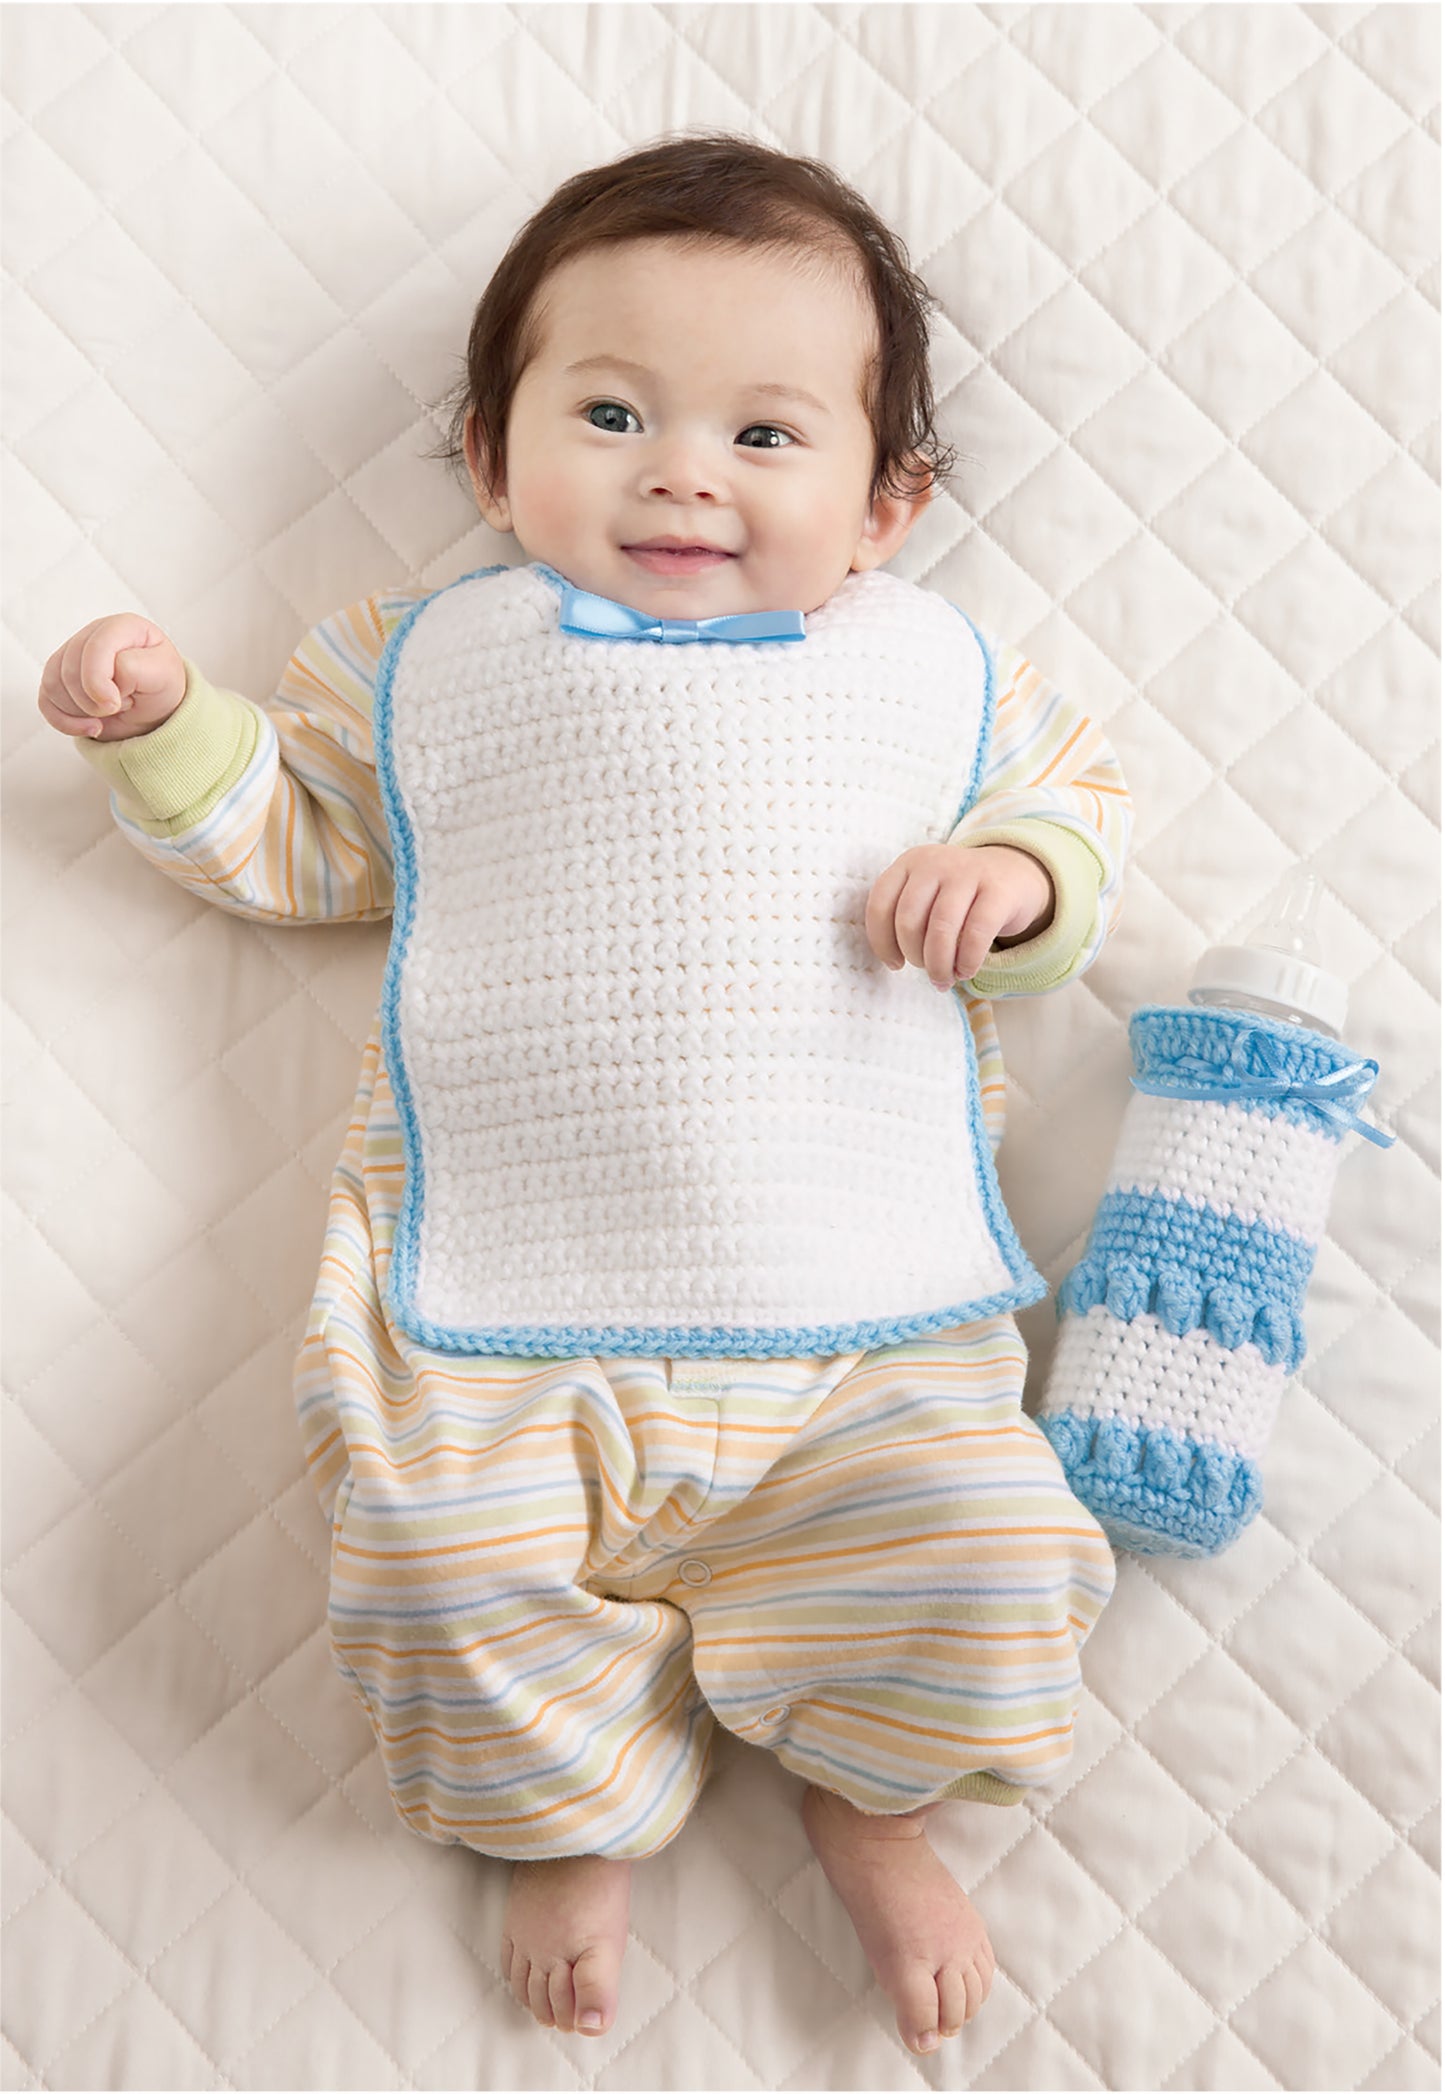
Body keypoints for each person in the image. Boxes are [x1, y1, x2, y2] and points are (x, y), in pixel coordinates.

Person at [40, 134, 1129, 2058]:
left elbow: (1078, 819)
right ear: (490, 454)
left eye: (765, 435)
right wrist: (169, 735)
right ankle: (566, 1807)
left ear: (890, 501)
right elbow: (295, 840)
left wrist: (1022, 883)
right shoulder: (425, 664)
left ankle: (868, 1796)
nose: (681, 469)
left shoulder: (936, 675)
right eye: (610, 410)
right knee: (432, 1565)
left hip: (851, 1330)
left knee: (985, 1546)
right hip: (503, 1320)